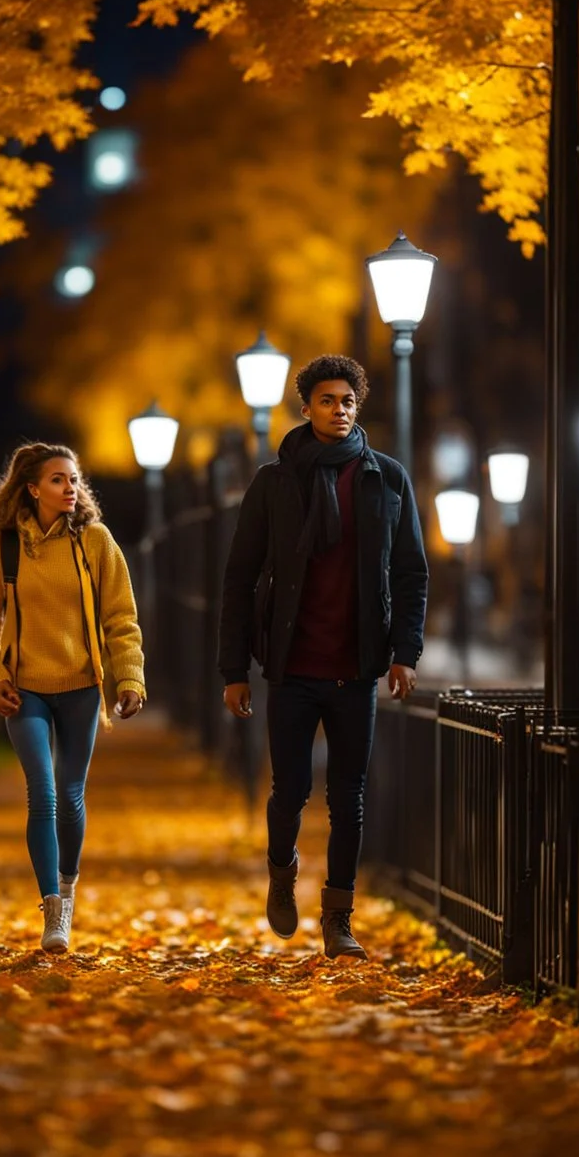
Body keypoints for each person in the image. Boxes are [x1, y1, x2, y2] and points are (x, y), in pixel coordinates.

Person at [219, 354, 428, 960]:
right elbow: (239, 576)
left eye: (349, 402)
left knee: (349, 797)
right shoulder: (274, 482)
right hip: (291, 667)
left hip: (356, 668)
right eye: (329, 401)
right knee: (288, 792)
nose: (341, 411)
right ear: (306, 407)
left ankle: (338, 918)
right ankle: (281, 873)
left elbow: (411, 572)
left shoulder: (386, 478)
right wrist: (234, 670)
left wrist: (404, 654)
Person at [0, 442, 145, 953]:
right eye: (59, 480)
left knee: (69, 794)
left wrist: (129, 679)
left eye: (74, 479)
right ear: (32, 489)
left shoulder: (95, 541)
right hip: (25, 694)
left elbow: (121, 620)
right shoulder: (6, 548)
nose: (71, 488)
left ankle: (68, 886)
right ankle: (53, 911)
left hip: (82, 689)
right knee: (41, 793)